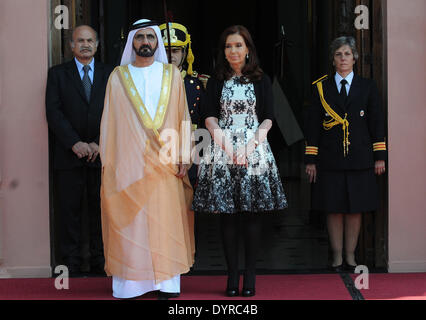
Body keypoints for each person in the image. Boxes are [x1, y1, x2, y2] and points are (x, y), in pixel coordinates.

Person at [99, 19, 195, 299]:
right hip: (128, 163)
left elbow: (183, 116)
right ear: (131, 42)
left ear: (157, 43)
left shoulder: (172, 75)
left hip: (165, 161)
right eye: (139, 37)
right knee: (133, 222)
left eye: (150, 37)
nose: (145, 42)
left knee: (166, 221)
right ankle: (132, 284)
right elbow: (110, 122)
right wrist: (110, 161)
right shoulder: (118, 76)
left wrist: (184, 155)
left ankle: (167, 283)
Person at [192, 25, 288, 297]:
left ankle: (251, 277)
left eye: (238, 45)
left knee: (251, 214)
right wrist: (227, 147)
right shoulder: (216, 80)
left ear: (248, 50)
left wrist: (246, 148)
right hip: (222, 150)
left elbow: (268, 117)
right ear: (223, 52)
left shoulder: (261, 79)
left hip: (254, 149)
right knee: (228, 216)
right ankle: (231, 277)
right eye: (228, 46)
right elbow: (208, 116)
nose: (233, 51)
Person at [304, 36, 387, 273]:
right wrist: (311, 159)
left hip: (360, 159)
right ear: (333, 59)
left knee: (355, 208)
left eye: (347, 54)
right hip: (330, 159)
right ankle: (337, 256)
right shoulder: (321, 87)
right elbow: (313, 126)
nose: (343, 58)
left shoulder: (367, 87)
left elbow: (376, 122)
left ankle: (351, 255)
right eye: (339, 54)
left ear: (355, 59)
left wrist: (379, 156)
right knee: (334, 207)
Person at [46, 25, 113, 277]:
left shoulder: (111, 74)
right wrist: (74, 143)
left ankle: (100, 262)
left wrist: (98, 142)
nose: (85, 44)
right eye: (80, 40)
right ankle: (70, 265)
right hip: (68, 155)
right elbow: (54, 112)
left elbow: (116, 113)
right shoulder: (57, 75)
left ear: (97, 45)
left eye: (90, 40)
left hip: (102, 154)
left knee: (101, 211)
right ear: (71, 45)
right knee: (69, 213)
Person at [159, 22, 209, 188]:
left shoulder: (198, 83)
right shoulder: (150, 82)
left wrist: (203, 158)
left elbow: (203, 124)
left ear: (185, 52)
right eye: (166, 51)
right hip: (158, 149)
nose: (170, 56)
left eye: (175, 51)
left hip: (191, 148)